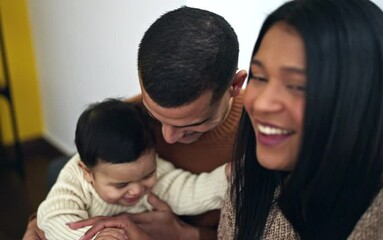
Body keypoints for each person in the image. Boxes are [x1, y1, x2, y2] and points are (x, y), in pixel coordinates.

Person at [23, 6, 246, 240]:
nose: (166, 137)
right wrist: (37, 226)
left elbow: (193, 192)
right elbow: (66, 198)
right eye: (155, 116)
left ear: (234, 86)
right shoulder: (130, 116)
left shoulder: (263, 142)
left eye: (190, 125)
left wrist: (185, 234)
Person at [217, 0, 383, 239]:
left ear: (361, 95)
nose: (262, 104)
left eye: (297, 85)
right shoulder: (249, 183)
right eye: (260, 77)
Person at [37, 99, 228, 240]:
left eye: (148, 175)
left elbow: (189, 191)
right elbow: (55, 217)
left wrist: (227, 179)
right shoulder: (74, 180)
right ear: (88, 174)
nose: (137, 190)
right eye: (121, 184)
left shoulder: (155, 168)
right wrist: (99, 237)